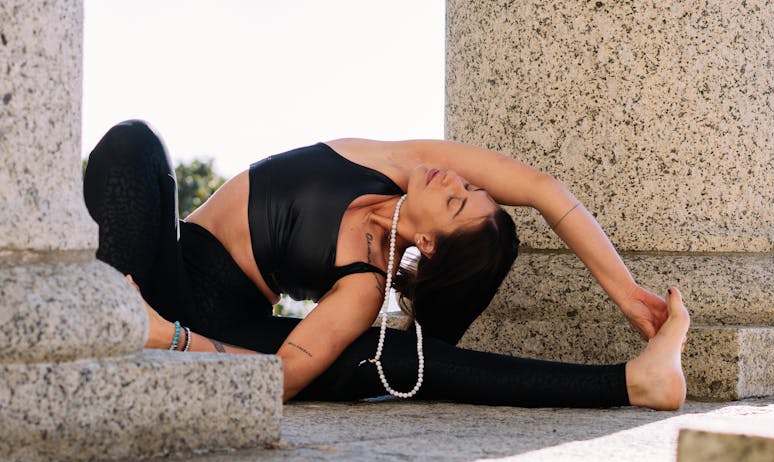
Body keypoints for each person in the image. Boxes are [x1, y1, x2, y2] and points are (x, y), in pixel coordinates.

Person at [83, 119, 689, 409]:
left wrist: (173, 336)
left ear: (427, 245)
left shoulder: (362, 288)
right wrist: (627, 291)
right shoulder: (394, 162)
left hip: (209, 319)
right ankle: (108, 326)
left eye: (456, 200)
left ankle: (634, 382)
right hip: (165, 262)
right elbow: (545, 190)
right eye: (470, 187)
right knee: (133, 145)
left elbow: (285, 377)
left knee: (390, 359)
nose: (455, 179)